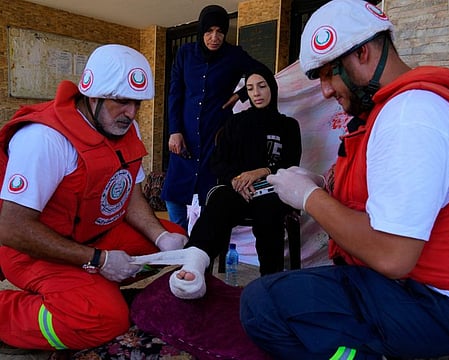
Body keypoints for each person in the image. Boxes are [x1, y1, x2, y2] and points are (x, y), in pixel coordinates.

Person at [239, 0, 449, 359]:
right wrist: (322, 185)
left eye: (327, 74)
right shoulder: (391, 111)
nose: (324, 91)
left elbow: (393, 255)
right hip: (418, 290)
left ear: (363, 53)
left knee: (263, 303)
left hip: (437, 303)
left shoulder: (410, 117)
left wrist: (308, 198)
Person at [0, 44, 188, 351]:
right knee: (106, 319)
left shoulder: (127, 128)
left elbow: (129, 193)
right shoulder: (45, 139)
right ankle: (9, 312)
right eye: (121, 101)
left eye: (137, 103)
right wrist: (99, 260)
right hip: (35, 252)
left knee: (173, 239)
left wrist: (160, 237)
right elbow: (11, 229)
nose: (131, 113)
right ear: (93, 95)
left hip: (91, 237)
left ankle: (84, 287)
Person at [156, 64, 302, 300]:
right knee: (219, 201)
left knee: (269, 209)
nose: (257, 93)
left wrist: (260, 172)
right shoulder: (235, 123)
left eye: (262, 86)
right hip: (237, 189)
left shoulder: (288, 126)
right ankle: (194, 265)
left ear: (272, 89)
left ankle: (270, 283)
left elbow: (292, 163)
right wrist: (236, 180)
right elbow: (219, 162)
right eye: (251, 88)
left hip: (271, 188)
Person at [161, 4, 262, 231]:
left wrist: (240, 94)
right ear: (201, 31)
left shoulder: (234, 55)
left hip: (215, 135)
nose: (214, 37)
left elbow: (262, 72)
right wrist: (174, 131)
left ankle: (201, 248)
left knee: (211, 195)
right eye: (209, 31)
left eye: (220, 31)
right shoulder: (185, 54)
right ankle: (179, 243)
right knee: (174, 196)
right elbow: (175, 92)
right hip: (185, 134)